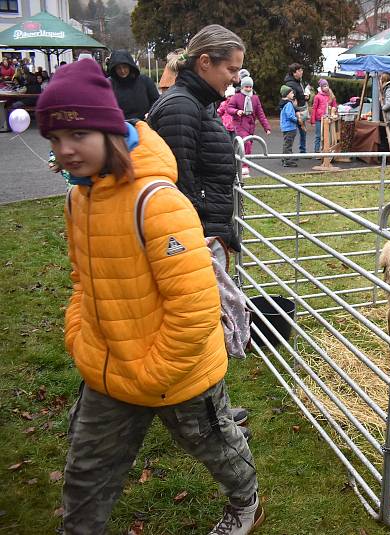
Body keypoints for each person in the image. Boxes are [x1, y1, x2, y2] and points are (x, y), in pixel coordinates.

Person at [36, 58, 262, 535]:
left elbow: (195, 306)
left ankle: (246, 502)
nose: (65, 151)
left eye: (76, 135)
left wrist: (152, 370)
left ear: (108, 130)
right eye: (55, 140)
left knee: (216, 447)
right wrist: (80, 337)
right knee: (86, 471)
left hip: (176, 371)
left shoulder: (156, 202)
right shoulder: (79, 199)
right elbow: (82, 280)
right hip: (107, 366)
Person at [146, 24, 253, 435]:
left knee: (208, 326)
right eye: (231, 68)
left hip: (202, 232)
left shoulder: (197, 102)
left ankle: (214, 411)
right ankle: (208, 421)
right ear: (204, 62)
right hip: (189, 239)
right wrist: (198, 235)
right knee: (197, 331)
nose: (235, 77)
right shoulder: (180, 108)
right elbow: (177, 184)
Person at [226, 76, 271, 176]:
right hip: (240, 124)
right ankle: (245, 166)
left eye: (250, 87)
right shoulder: (236, 97)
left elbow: (260, 113)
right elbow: (229, 108)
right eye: (246, 87)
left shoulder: (255, 98)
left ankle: (241, 164)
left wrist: (266, 127)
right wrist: (237, 111)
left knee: (247, 145)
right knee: (246, 143)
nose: (248, 89)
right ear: (242, 87)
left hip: (251, 125)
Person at [107, 50, 160, 120]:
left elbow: (156, 101)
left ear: (130, 66)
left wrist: (150, 114)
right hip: (120, 125)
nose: (122, 71)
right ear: (114, 69)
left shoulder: (145, 81)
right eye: (118, 68)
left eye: (124, 67)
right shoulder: (109, 84)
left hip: (145, 123)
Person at [283, 63, 308, 153]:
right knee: (291, 133)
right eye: (299, 70)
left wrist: (305, 97)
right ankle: (288, 154)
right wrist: (297, 112)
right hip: (295, 111)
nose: (302, 72)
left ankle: (302, 151)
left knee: (303, 132)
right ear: (294, 73)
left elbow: (299, 95)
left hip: (300, 109)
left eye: (302, 70)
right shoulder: (291, 84)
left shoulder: (299, 82)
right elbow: (291, 98)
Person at [311, 79, 337, 153]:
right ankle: (316, 152)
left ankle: (325, 151)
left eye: (327, 85)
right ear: (321, 87)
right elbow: (314, 108)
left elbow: (334, 105)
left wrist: (334, 111)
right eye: (324, 86)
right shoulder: (317, 96)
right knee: (318, 136)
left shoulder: (331, 95)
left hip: (328, 118)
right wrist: (312, 120)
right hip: (319, 119)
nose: (326, 87)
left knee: (327, 136)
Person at [279, 85, 301, 167]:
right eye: (291, 93)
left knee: (287, 143)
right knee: (288, 144)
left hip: (285, 127)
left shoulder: (283, 103)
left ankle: (286, 157)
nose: (293, 94)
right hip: (290, 127)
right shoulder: (288, 104)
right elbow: (290, 115)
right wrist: (297, 120)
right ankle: (287, 161)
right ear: (287, 94)